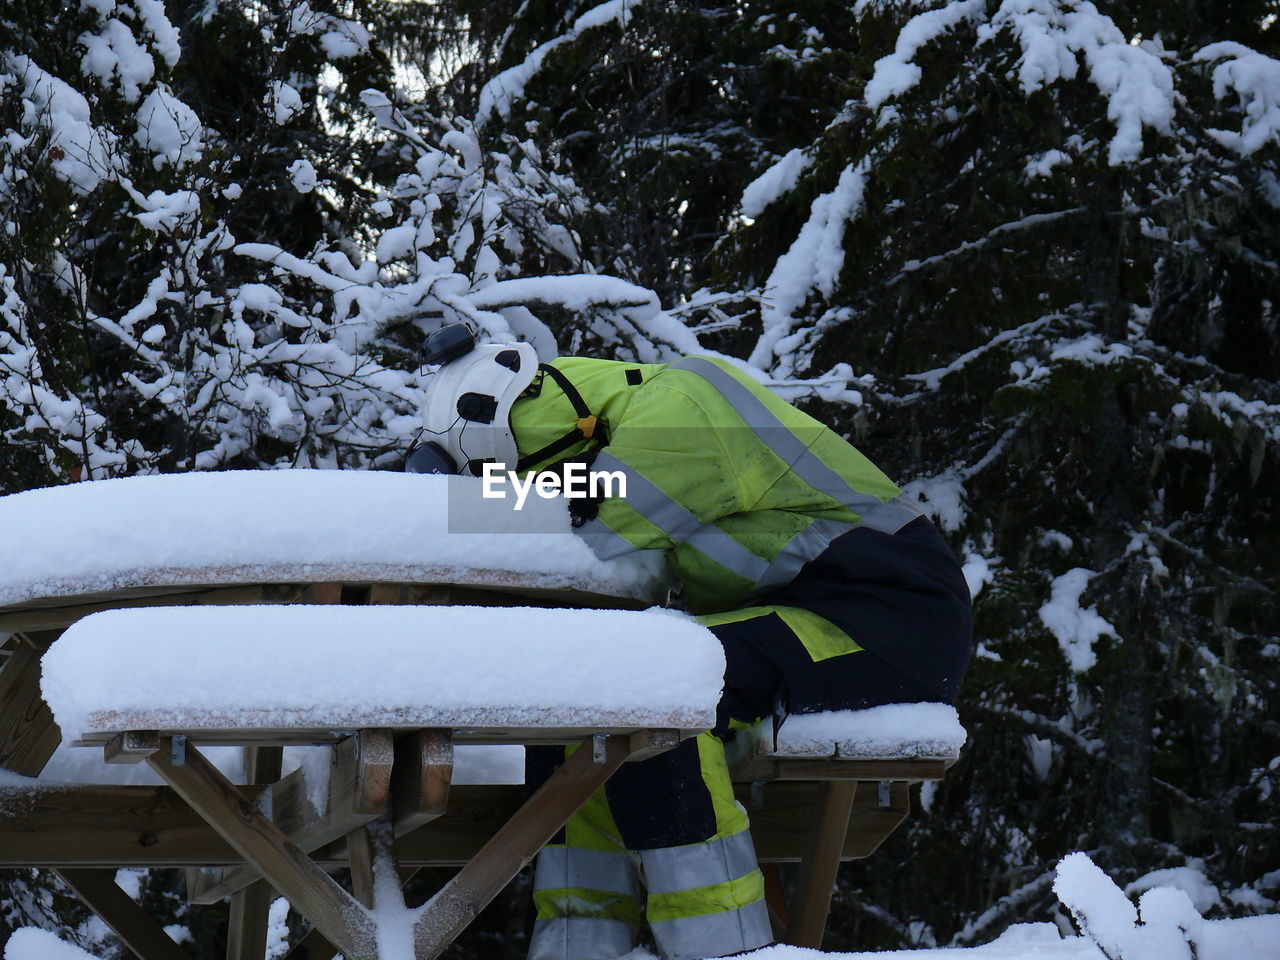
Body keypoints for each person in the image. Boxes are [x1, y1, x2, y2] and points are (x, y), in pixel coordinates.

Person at [408, 325, 973, 960]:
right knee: (589, 700)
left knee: (655, 686)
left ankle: (720, 947)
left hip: (888, 624)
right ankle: (578, 945)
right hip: (814, 617)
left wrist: (434, 508)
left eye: (515, 471)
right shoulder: (639, 420)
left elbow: (591, 526)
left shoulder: (680, 413)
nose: (521, 485)